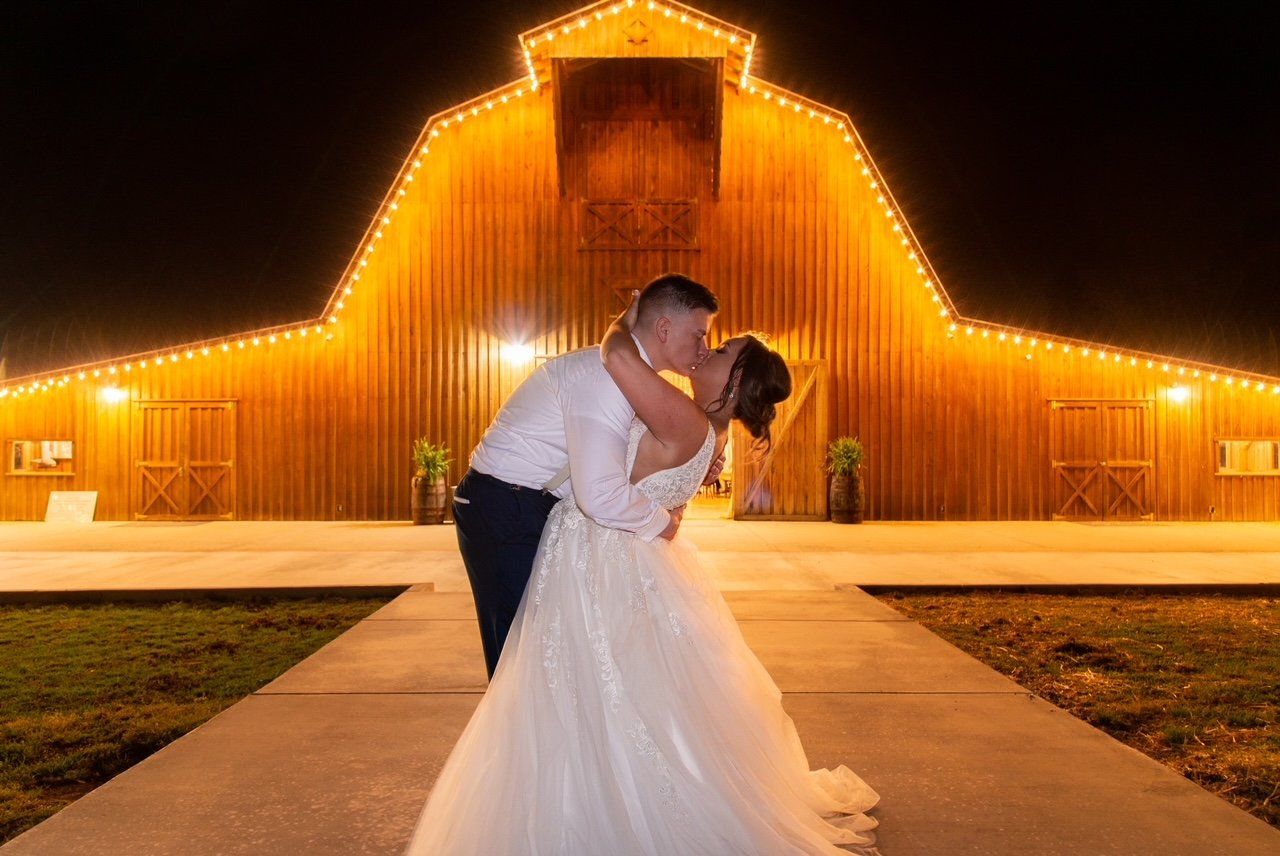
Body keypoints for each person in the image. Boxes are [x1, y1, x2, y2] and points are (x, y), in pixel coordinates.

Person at [404, 290, 884, 855]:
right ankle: (587, 790)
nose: (707, 350)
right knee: (607, 683)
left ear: (733, 385)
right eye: (706, 338)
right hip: (614, 554)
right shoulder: (710, 433)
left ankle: (574, 802)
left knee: (571, 678)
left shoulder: (684, 417)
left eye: (721, 349)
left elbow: (618, 365)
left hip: (601, 551)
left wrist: (620, 327)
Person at [452, 273, 723, 679]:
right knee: (521, 656)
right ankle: (523, 743)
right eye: (698, 336)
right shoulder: (603, 380)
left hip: (532, 503)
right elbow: (599, 494)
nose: (704, 349)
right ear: (664, 329)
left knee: (553, 651)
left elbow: (627, 461)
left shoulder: (629, 377)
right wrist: (662, 524)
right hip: (505, 508)